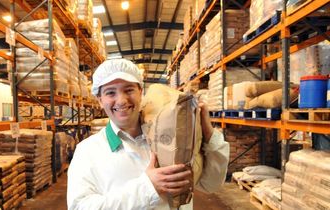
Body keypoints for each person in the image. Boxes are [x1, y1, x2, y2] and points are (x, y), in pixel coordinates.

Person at [67, 59, 229, 210]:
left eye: (129, 90)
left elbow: (210, 185)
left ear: (140, 91)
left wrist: (209, 137)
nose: (121, 100)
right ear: (100, 100)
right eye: (110, 93)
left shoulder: (170, 136)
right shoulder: (88, 151)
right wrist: (148, 187)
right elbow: (80, 206)